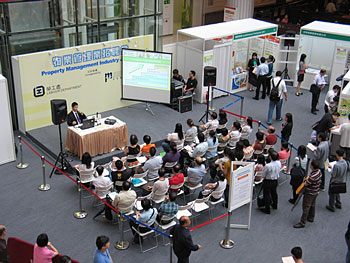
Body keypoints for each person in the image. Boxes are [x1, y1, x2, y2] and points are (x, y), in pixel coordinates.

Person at [294, 159, 322, 228]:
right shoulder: (319, 172)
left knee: (306, 207)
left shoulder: (312, 177)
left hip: (310, 193)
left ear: (312, 166)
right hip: (316, 191)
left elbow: (306, 184)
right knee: (312, 204)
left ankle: (302, 222)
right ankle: (311, 217)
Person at [260, 150, 281, 214]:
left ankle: (267, 209)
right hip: (275, 180)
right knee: (274, 193)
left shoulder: (268, 166)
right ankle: (275, 205)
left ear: (271, 157)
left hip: (268, 181)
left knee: (267, 195)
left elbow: (263, 175)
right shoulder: (279, 163)